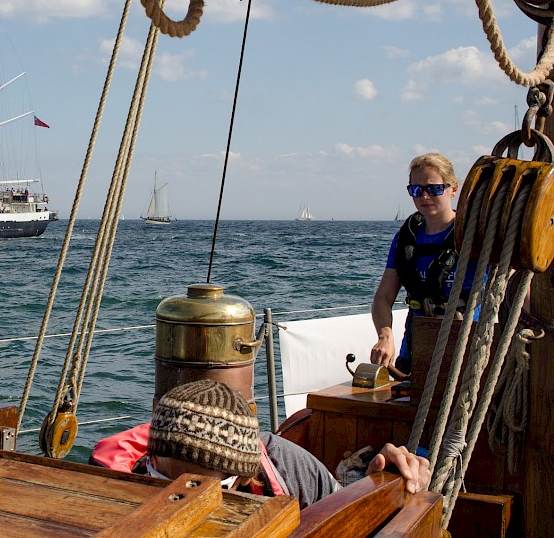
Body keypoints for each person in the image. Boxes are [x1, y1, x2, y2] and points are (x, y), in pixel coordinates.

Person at [90, 380, 431, 509]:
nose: (179, 498)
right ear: (149, 459)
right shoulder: (111, 486)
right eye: (162, 480)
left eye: (202, 487)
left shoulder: (290, 471)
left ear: (241, 476)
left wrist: (385, 492)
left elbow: (344, 518)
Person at [370, 153, 472, 374]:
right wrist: (385, 335)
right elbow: (383, 298)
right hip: (417, 350)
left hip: (469, 347)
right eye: (416, 190)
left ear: (453, 189)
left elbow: (514, 285)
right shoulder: (406, 239)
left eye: (434, 189)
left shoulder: (475, 235)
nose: (424, 197)